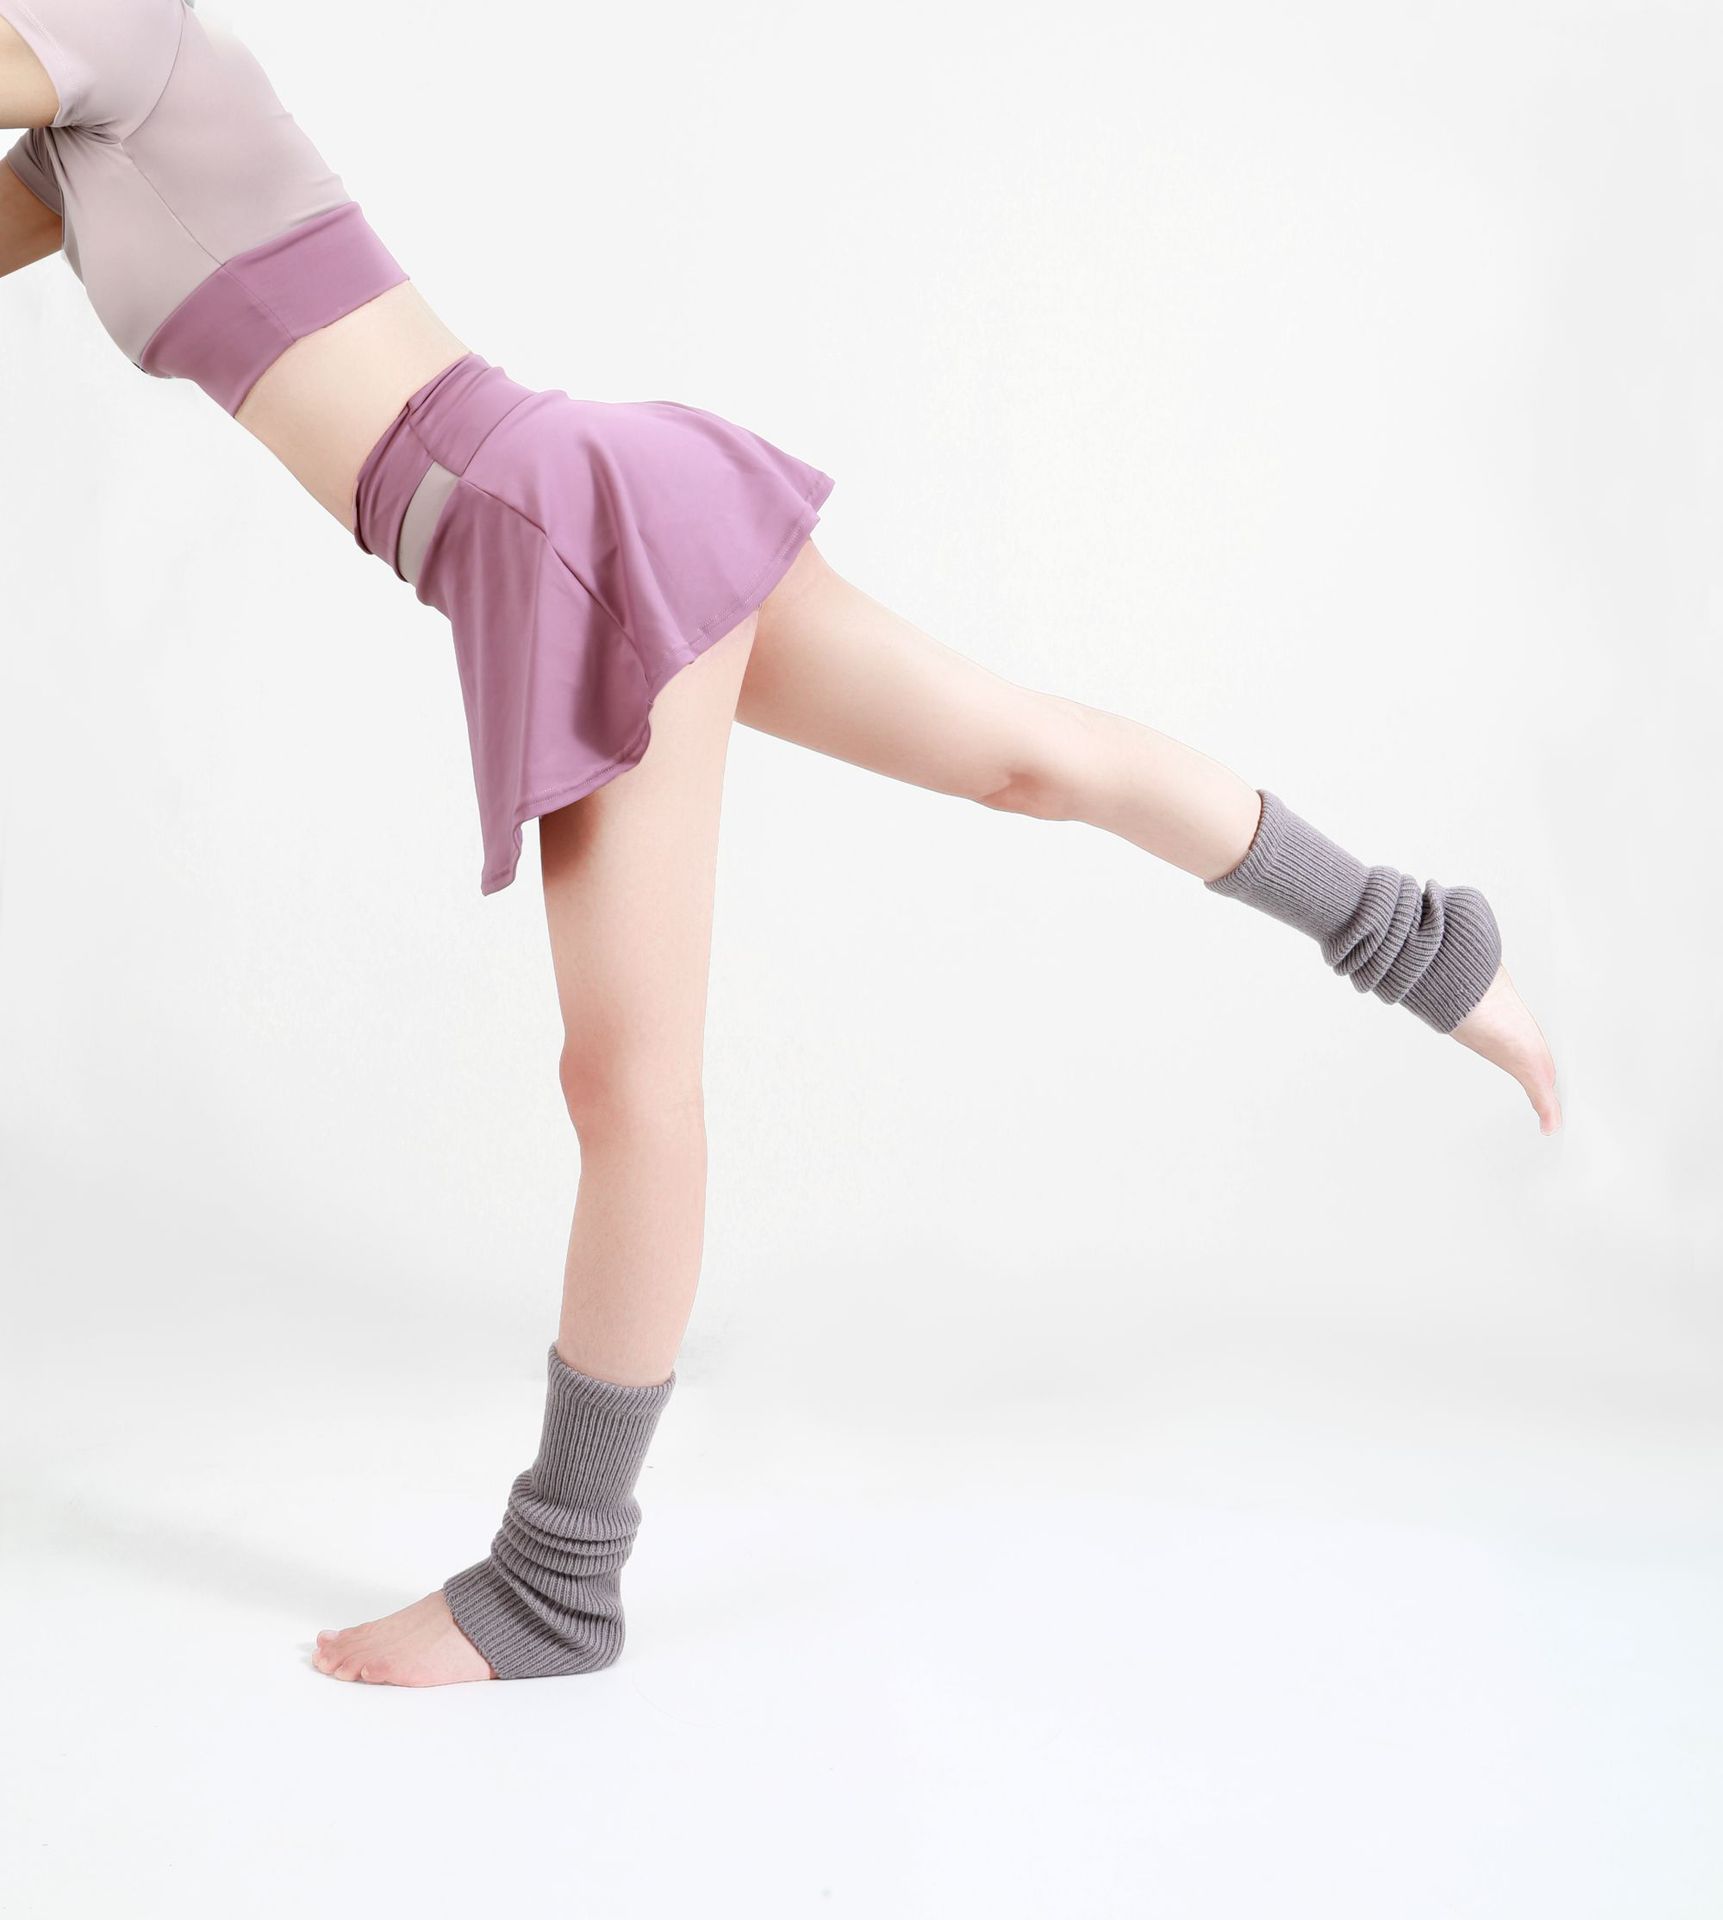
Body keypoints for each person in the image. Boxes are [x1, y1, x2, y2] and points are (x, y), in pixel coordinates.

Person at [0, 0, 1560, 1689]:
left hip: (555, 518)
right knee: (1022, 759)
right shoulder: (74, 150)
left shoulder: (118, 31)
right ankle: (1418, 940)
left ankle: (556, 1584)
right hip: (584, 490)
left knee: (630, 1083)